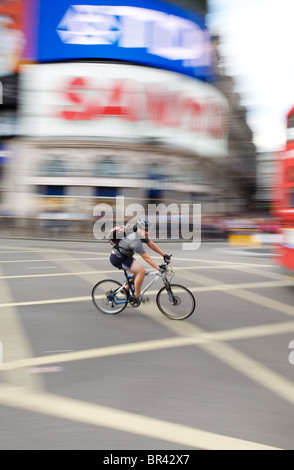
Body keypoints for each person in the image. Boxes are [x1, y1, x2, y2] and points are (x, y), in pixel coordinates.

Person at [110, 216, 171, 306]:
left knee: (139, 270)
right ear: (139, 228)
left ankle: (126, 289)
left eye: (148, 230)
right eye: (145, 230)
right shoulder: (135, 240)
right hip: (118, 259)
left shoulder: (140, 233)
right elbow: (146, 257)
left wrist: (164, 255)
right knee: (141, 271)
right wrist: (158, 268)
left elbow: (152, 245)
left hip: (125, 256)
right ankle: (137, 296)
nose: (147, 232)